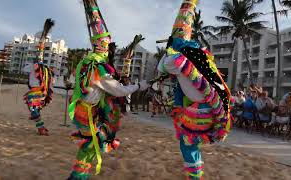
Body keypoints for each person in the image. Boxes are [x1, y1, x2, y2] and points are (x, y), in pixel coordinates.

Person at [67, 1, 149, 179]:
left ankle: (79, 175)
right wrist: (138, 86)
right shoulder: (98, 67)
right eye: (107, 44)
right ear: (102, 45)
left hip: (84, 110)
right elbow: (119, 90)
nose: (108, 48)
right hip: (87, 113)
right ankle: (77, 177)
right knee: (94, 143)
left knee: (91, 143)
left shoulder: (85, 62)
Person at [157, 0, 232, 179]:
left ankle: (195, 176)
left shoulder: (176, 60)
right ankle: (196, 173)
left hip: (200, 114)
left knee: (187, 143)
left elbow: (161, 67)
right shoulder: (203, 57)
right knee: (192, 144)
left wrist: (170, 49)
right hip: (213, 110)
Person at [23, 19, 55, 136]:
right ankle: (40, 127)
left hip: (37, 93)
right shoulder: (44, 69)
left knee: (34, 110)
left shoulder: (37, 67)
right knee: (34, 110)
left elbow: (26, 69)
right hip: (40, 93)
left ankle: (41, 128)